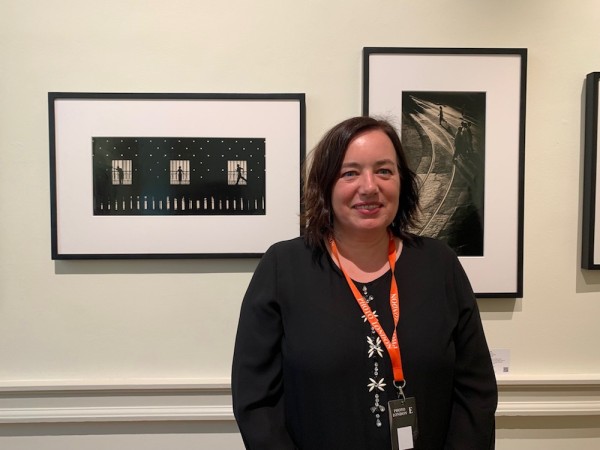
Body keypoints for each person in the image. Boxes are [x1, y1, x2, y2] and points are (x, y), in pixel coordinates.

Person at [231, 116, 497, 449]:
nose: (369, 187)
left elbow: (476, 391)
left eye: (384, 170)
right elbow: (256, 402)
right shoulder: (283, 267)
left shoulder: (439, 264)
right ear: (325, 184)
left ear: (402, 181)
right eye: (350, 173)